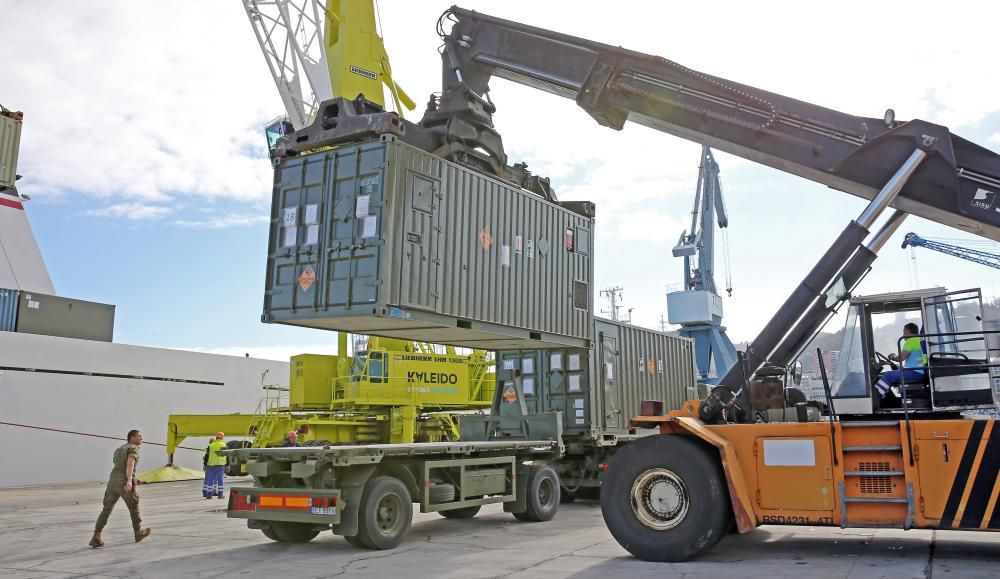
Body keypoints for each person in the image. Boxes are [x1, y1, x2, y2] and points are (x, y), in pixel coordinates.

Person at [89, 429, 151, 548]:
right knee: (134, 507)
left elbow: (119, 466)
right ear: (132, 438)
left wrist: (134, 479)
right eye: (139, 436)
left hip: (112, 482)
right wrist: (129, 481)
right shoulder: (133, 448)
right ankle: (138, 533)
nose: (141, 438)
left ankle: (96, 536)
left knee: (106, 509)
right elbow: (129, 464)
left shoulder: (119, 449)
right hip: (123, 482)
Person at [874, 323, 927, 399]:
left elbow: (900, 358)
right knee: (891, 374)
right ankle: (881, 395)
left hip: (915, 372)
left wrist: (892, 356)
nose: (903, 334)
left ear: (908, 331)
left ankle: (875, 398)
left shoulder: (911, 341)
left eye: (904, 331)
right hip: (919, 372)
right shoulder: (920, 340)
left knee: (888, 375)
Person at [203, 432, 228, 499]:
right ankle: (220, 495)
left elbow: (206, 456)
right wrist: (227, 465)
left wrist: (205, 465)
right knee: (220, 480)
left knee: (210, 480)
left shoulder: (211, 445)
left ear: (216, 437)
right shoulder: (224, 445)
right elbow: (227, 456)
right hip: (220, 465)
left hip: (211, 465)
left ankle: (209, 495)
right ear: (222, 437)